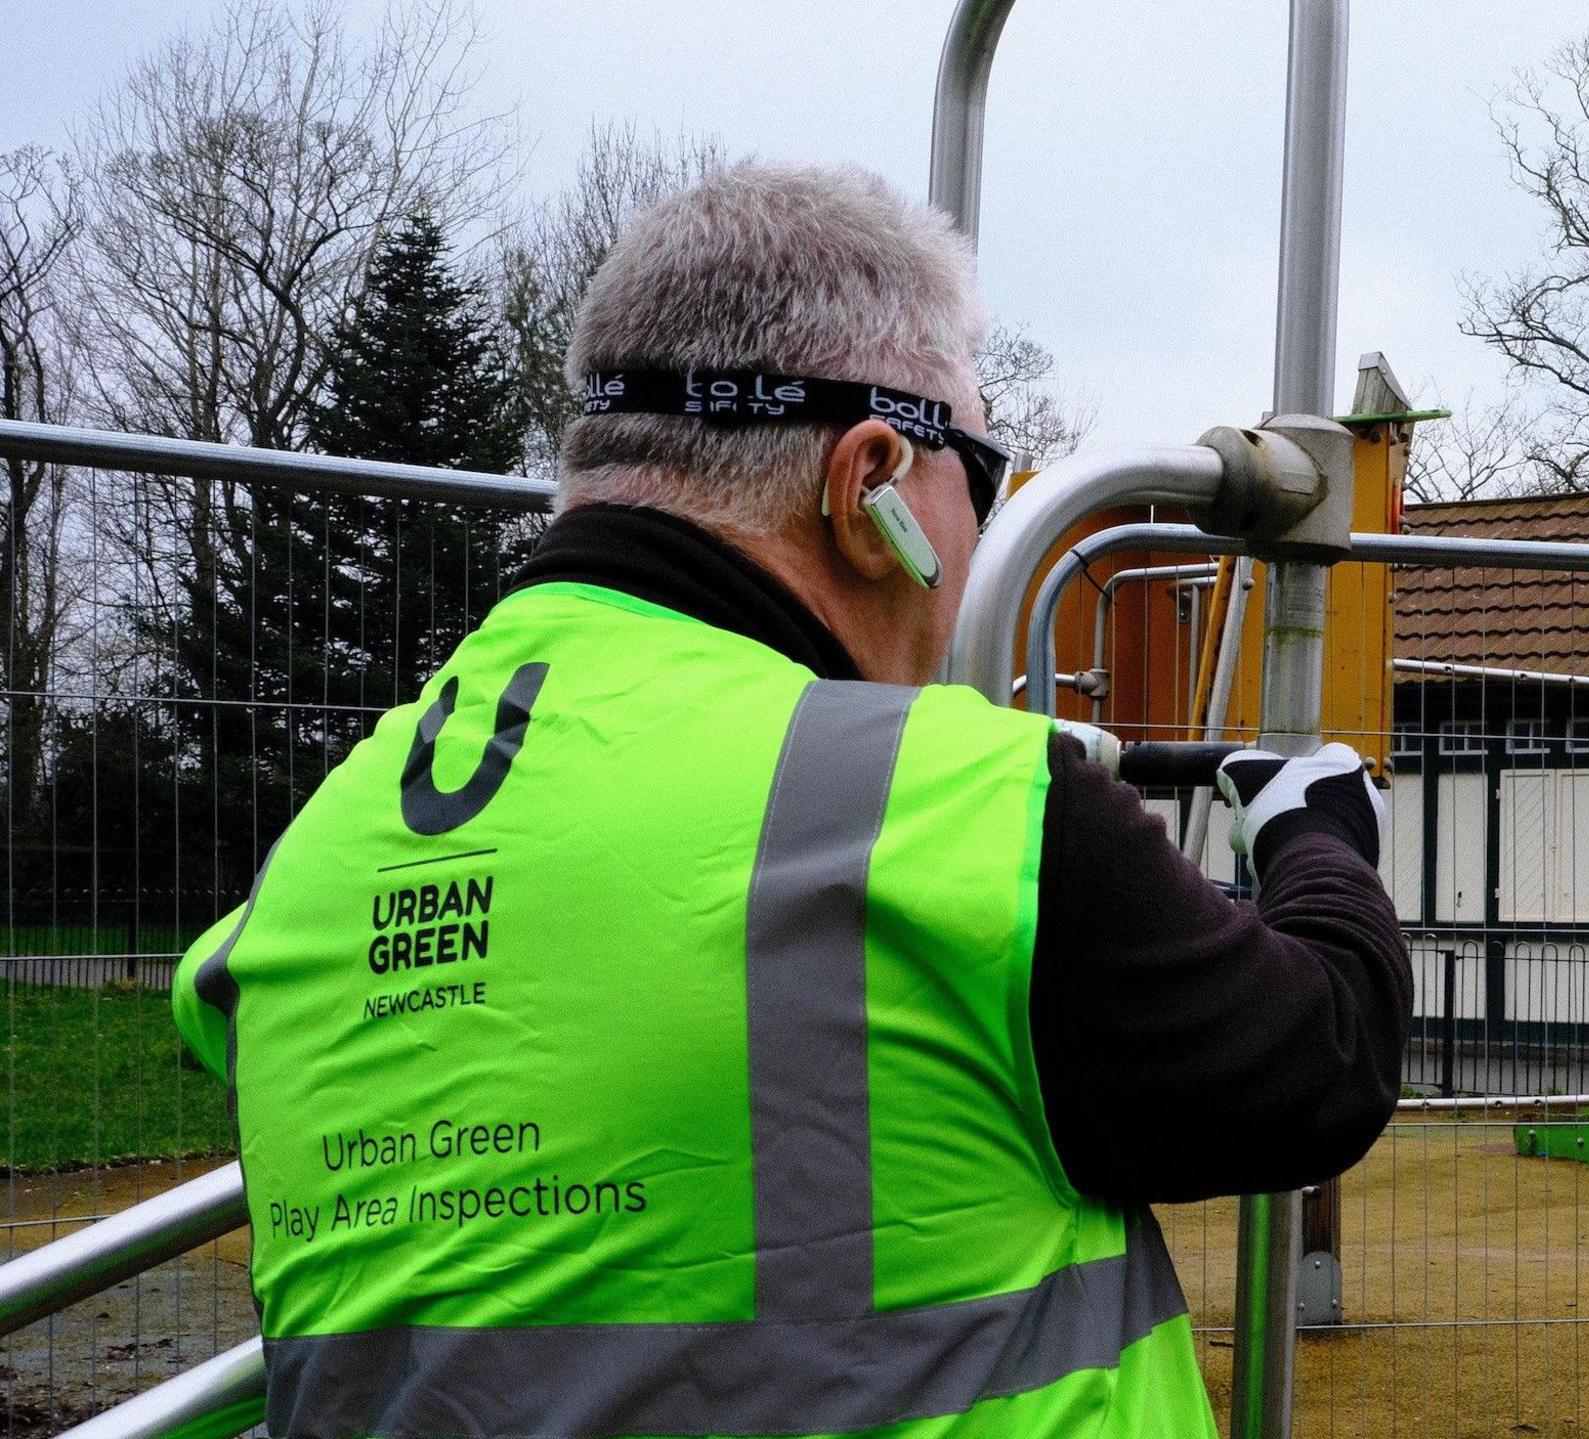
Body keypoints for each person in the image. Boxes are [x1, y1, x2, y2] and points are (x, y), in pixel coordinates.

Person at [171, 163, 1408, 1439]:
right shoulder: (946, 802)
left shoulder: (309, 862)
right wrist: (1321, 837)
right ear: (870, 480)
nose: (981, 531)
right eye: (979, 474)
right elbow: (1317, 1058)